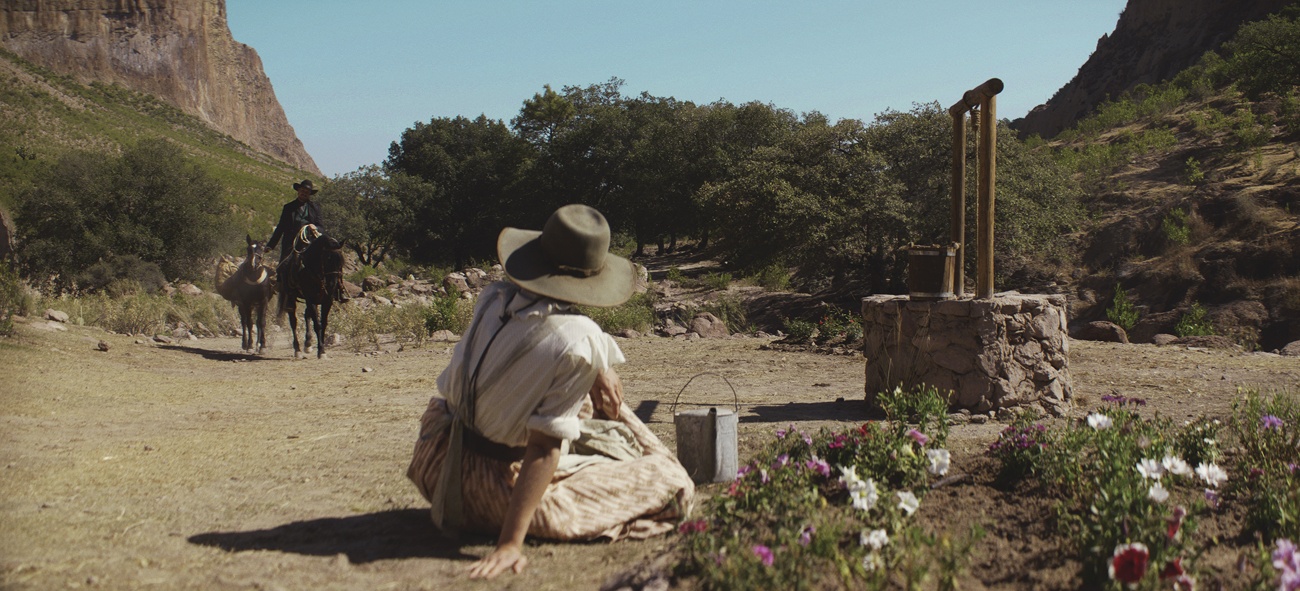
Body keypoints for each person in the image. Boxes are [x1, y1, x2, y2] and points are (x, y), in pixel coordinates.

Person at [407, 204, 695, 580]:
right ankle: (528, 520)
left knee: (581, 407)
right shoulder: (579, 339)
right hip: (484, 495)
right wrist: (510, 544)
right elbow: (544, 448)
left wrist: (598, 368)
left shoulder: (493, 297)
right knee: (676, 485)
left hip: (437, 460)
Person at [267, 179, 323, 262]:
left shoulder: (315, 208)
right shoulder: (288, 207)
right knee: (284, 264)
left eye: (307, 192)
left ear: (309, 194)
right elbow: (281, 227)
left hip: (308, 244)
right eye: (302, 190)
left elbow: (321, 227)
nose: (304, 193)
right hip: (290, 244)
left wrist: (315, 228)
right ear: (298, 191)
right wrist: (271, 245)